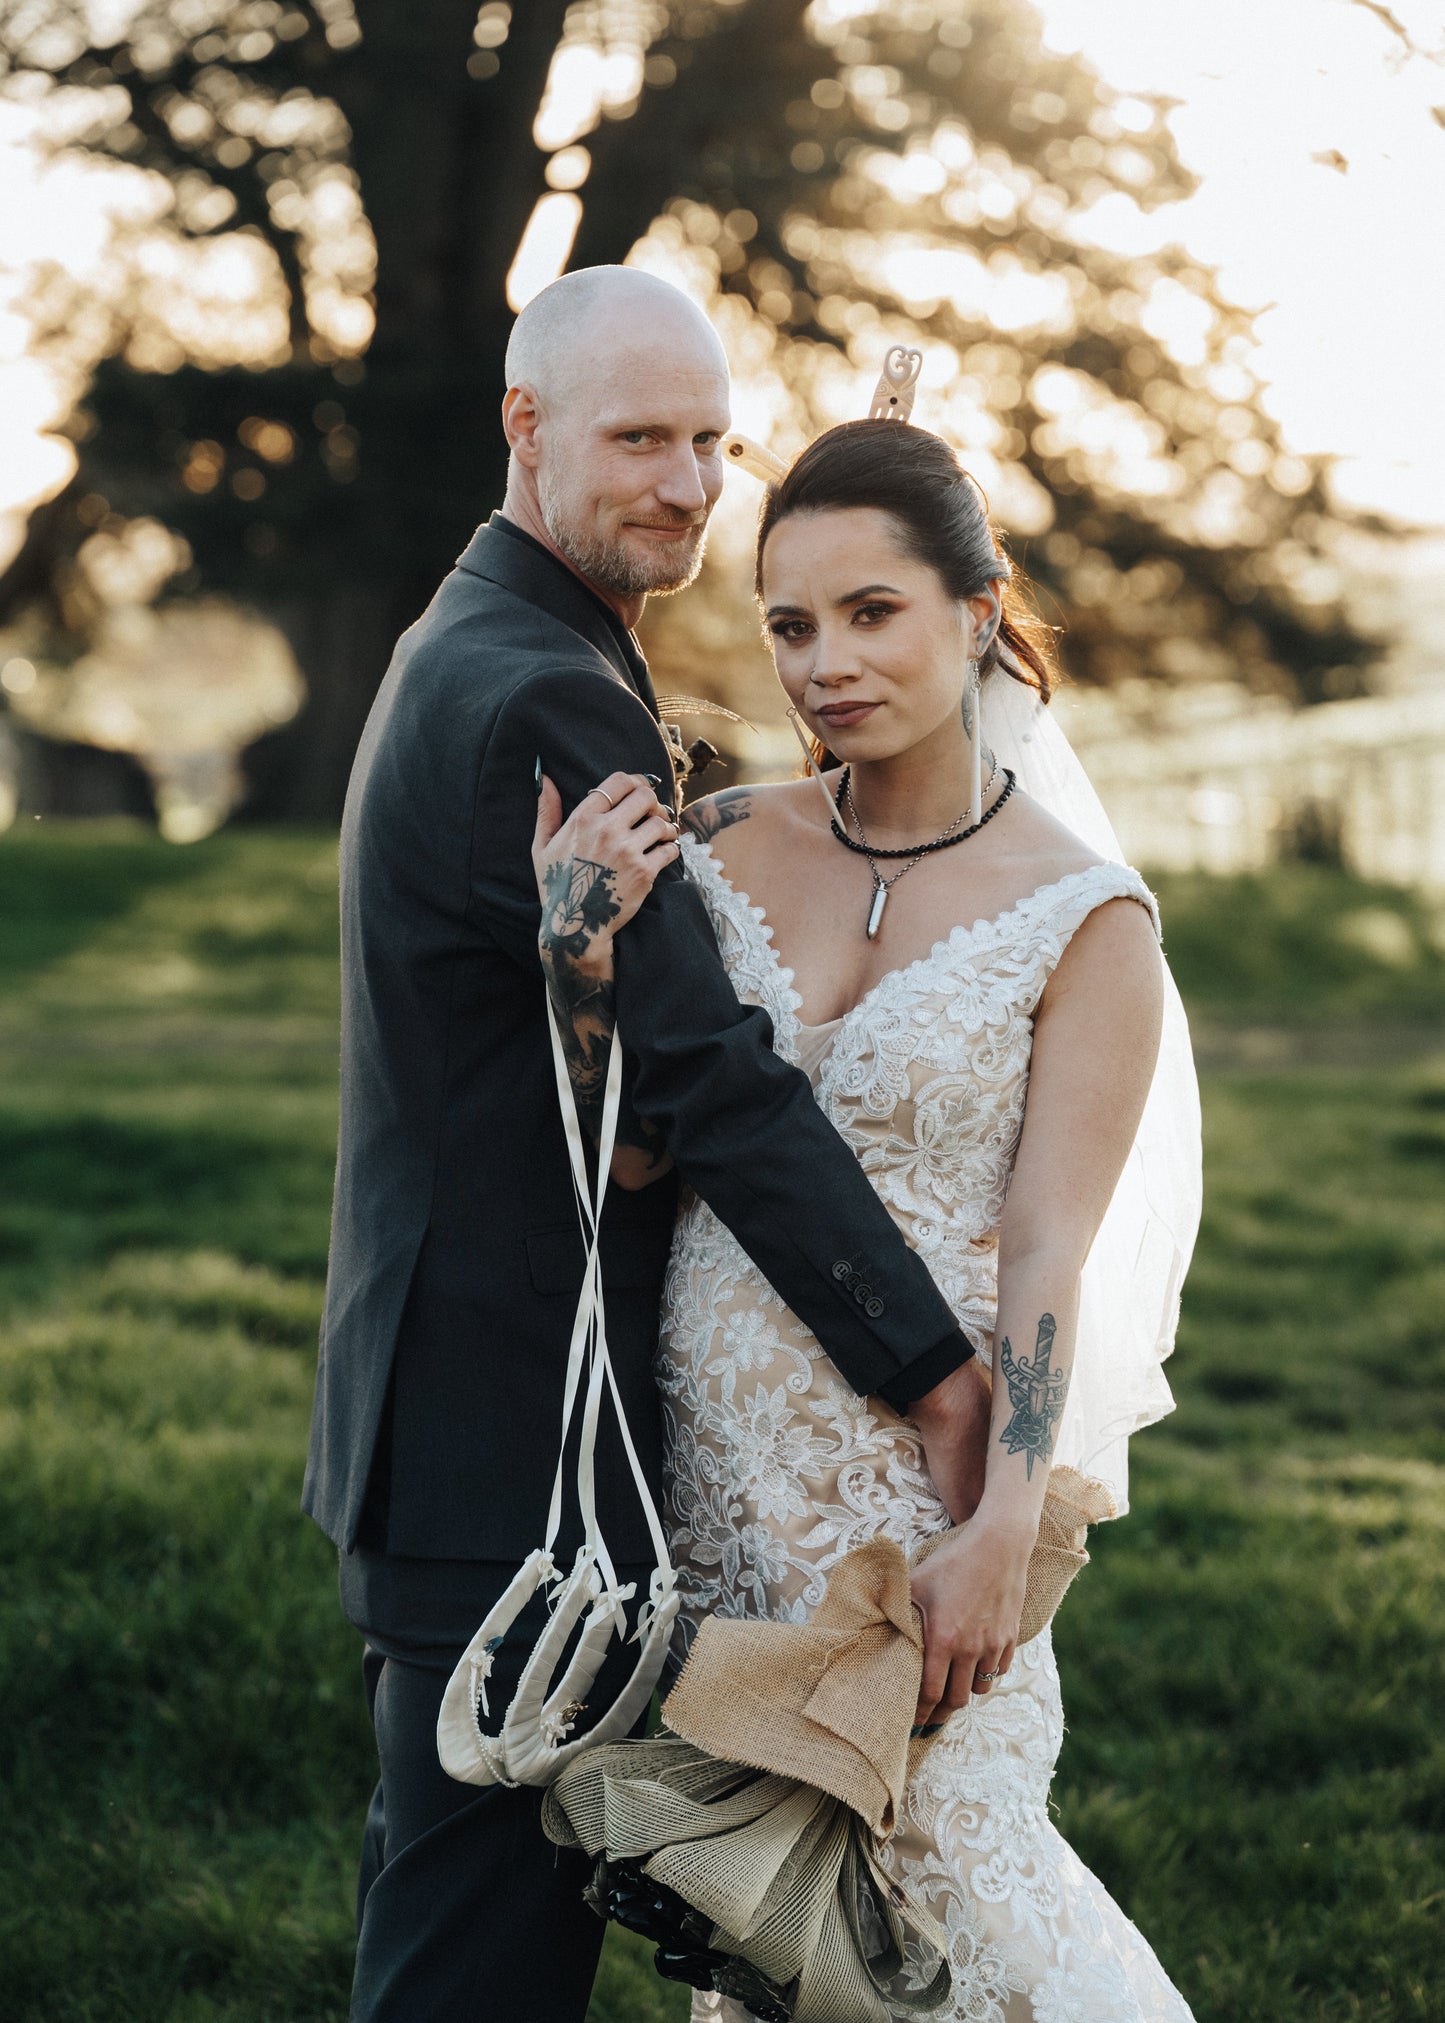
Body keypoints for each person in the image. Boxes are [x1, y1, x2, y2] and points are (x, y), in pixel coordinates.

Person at [302, 268, 994, 2021]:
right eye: (638, 440)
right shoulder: (541, 689)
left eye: (710, 441)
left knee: (444, 1944)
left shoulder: (474, 636)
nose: (688, 485)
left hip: (446, 1424)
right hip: (508, 1443)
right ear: (524, 428)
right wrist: (927, 1370)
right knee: (472, 1982)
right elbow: (710, 1076)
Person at [536, 418, 1201, 2019]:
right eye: (788, 623)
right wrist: (576, 964)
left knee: (952, 1891)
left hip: (924, 1492)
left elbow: (1049, 1247)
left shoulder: (1084, 919)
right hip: (716, 1486)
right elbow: (636, 1166)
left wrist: (1001, 1523)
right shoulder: (715, 847)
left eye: (870, 612)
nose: (823, 663)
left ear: (977, 612)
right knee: (773, 1932)